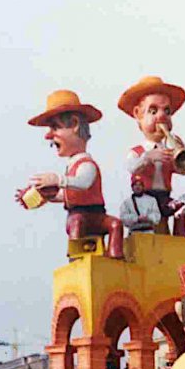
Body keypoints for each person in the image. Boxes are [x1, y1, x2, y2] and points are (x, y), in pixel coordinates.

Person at [17, 89, 124, 260]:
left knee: (115, 224)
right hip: (77, 215)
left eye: (55, 127)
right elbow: (65, 194)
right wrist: (43, 196)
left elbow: (83, 182)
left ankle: (115, 256)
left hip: (97, 215)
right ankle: (76, 257)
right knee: (76, 223)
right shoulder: (71, 167)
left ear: (74, 124)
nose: (48, 135)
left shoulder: (86, 164)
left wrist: (58, 180)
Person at [118, 75, 185, 236]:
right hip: (145, 198)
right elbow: (131, 167)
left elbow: (183, 170)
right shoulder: (138, 151)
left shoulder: (168, 151)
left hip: (164, 196)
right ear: (138, 114)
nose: (162, 116)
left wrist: (181, 153)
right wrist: (148, 157)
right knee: (154, 228)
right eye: (153, 111)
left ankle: (181, 238)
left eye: (167, 111)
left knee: (181, 207)